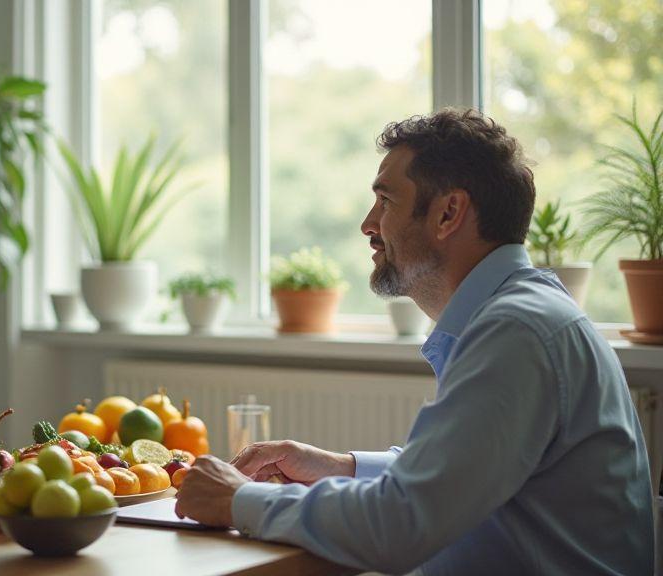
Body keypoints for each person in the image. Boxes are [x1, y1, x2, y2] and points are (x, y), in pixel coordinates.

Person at [174, 108, 654, 574]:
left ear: (448, 213)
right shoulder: (519, 316)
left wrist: (238, 499)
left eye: (386, 201)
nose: (368, 224)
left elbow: (400, 524)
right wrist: (341, 467)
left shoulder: (517, 332)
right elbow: (452, 478)